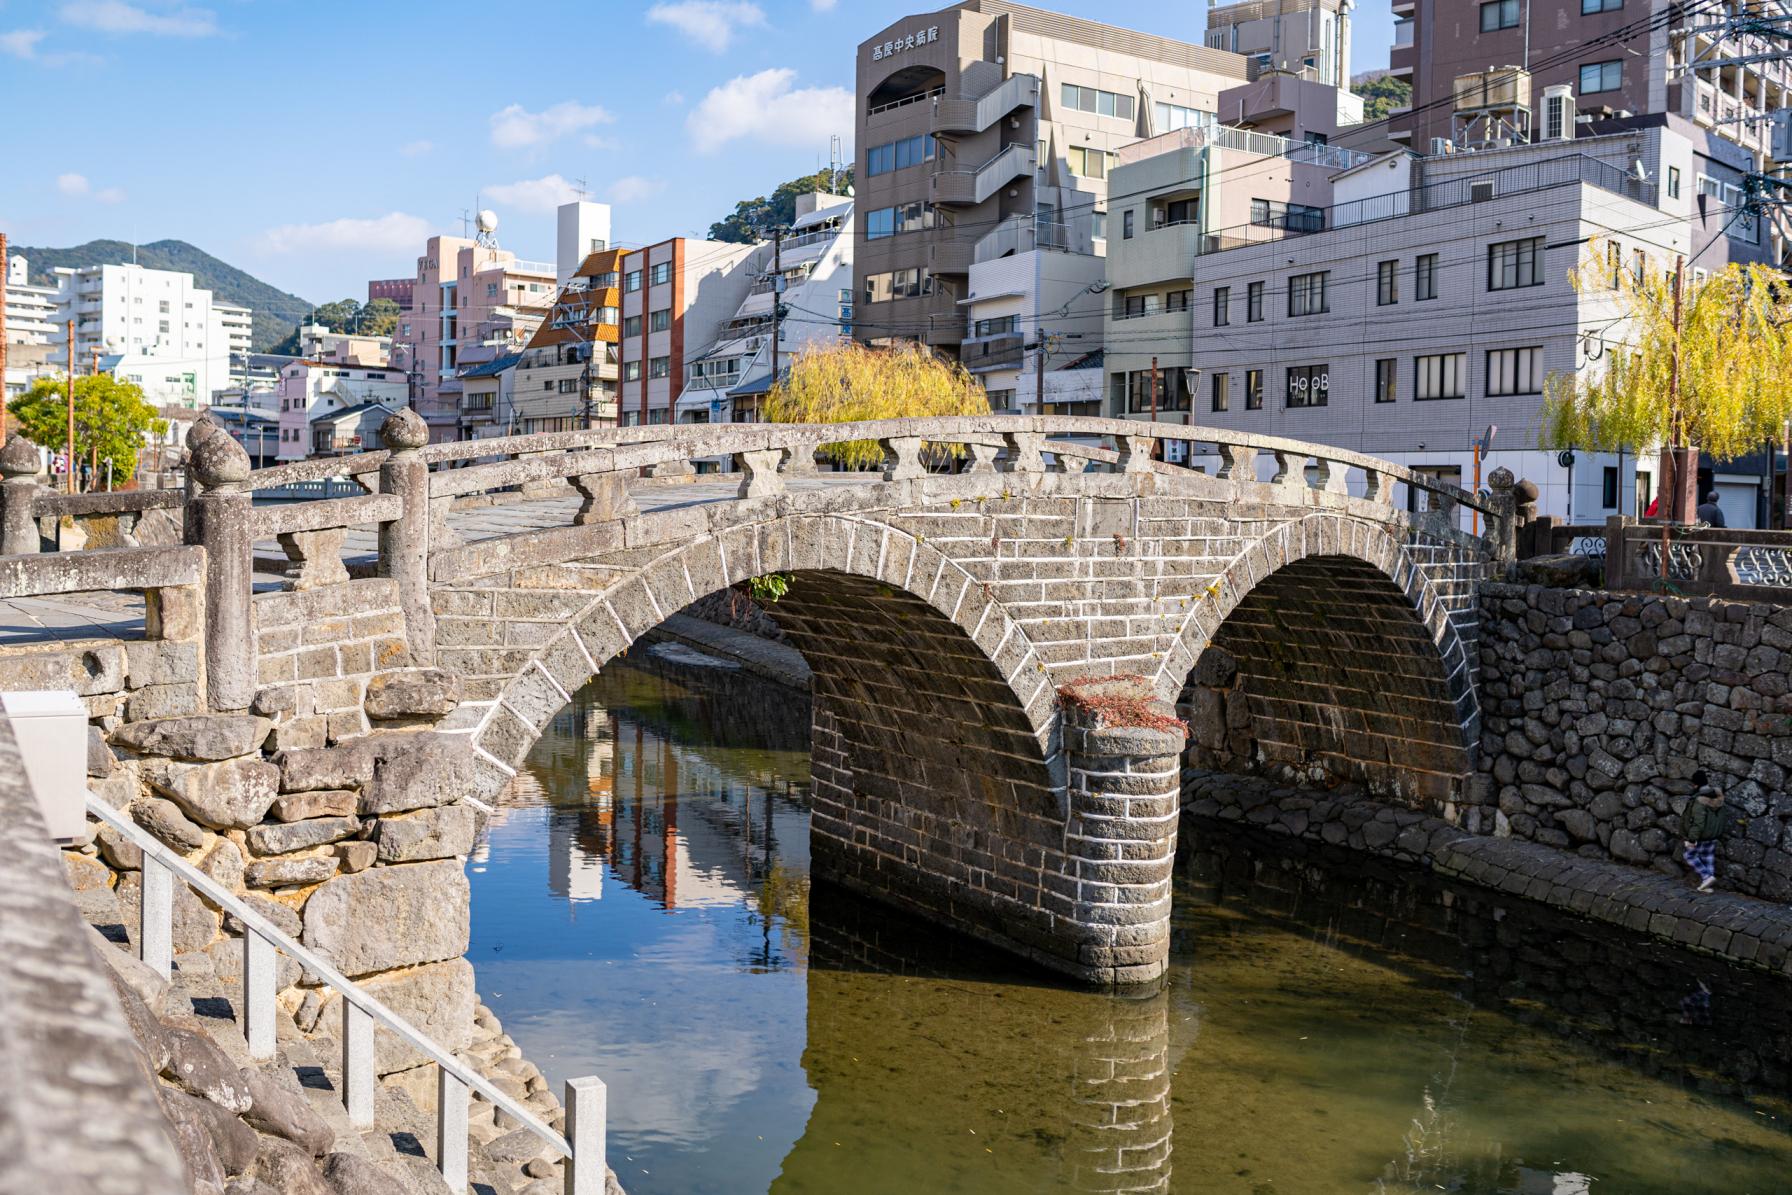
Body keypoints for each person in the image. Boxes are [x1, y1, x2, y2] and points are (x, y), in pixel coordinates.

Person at [1680, 777, 1733, 892]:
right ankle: (1707, 886)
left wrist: (1692, 839)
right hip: (1713, 837)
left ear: (1696, 785)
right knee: (1707, 858)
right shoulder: (1718, 800)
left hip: (1701, 836)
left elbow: (1698, 822)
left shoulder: (1700, 801)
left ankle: (1707, 877)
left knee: (1689, 856)